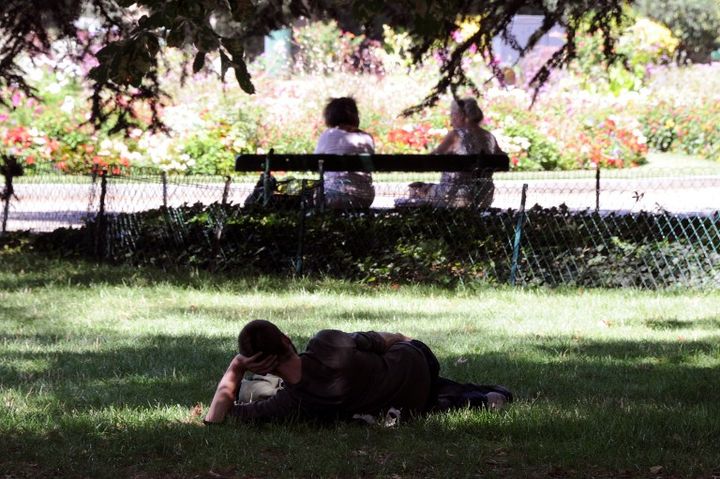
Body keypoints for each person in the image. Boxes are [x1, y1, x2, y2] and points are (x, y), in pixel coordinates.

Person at [204, 320, 512, 425]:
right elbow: (382, 340)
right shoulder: (326, 343)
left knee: (417, 397)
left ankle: (475, 398)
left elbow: (214, 420)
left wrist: (235, 367)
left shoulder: (292, 405)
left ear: (259, 363)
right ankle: (480, 395)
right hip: (415, 361)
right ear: (286, 339)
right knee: (396, 371)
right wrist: (406, 341)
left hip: (406, 403)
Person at [410, 98, 504, 208]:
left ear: (461, 115)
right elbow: (502, 160)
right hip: (484, 196)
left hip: (455, 195)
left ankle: (430, 223)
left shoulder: (456, 135)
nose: (451, 121)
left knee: (416, 188)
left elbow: (431, 159)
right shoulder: (489, 136)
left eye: (452, 115)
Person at [314, 97, 375, 209]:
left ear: (330, 116)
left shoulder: (328, 135)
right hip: (365, 197)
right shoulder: (367, 137)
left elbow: (314, 163)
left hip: (334, 196)